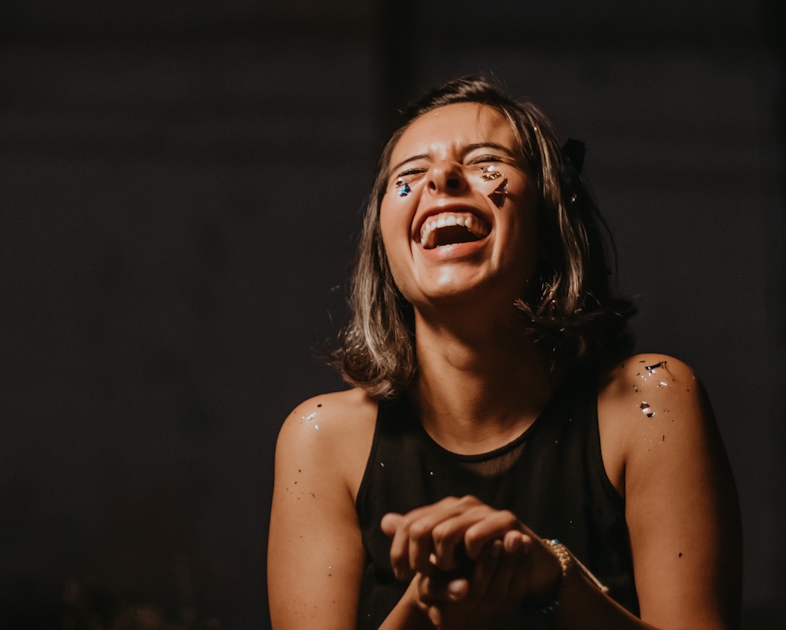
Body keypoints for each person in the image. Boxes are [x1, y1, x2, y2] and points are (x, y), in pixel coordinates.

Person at [266, 74, 742, 630]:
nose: (440, 177)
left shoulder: (652, 402)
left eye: (485, 159)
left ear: (548, 222)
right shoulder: (321, 440)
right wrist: (429, 604)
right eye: (410, 174)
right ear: (385, 247)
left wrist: (548, 579)